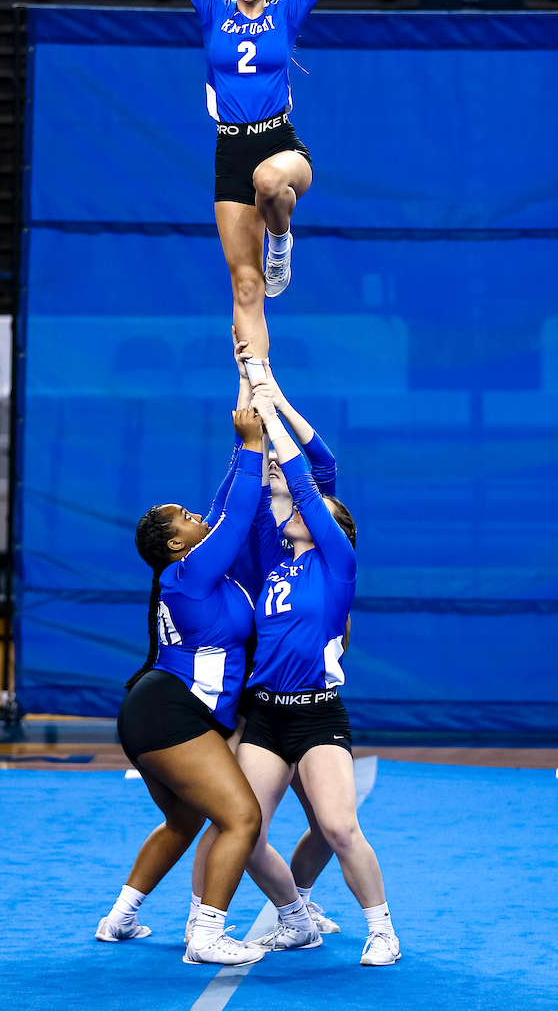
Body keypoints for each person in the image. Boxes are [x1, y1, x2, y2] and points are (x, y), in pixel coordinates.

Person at [133, 0, 399, 368]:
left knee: (270, 181)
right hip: (229, 150)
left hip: (279, 145)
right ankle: (258, 388)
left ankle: (281, 239)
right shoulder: (212, 11)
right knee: (247, 287)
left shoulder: (287, 12)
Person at [95, 404, 267, 967]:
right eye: (187, 518)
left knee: (183, 820)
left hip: (155, 708)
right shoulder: (189, 572)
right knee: (240, 817)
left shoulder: (188, 568)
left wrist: (245, 433)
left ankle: (119, 918)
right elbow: (236, 519)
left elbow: (222, 508)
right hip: (169, 713)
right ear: (175, 543)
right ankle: (208, 935)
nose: (200, 519)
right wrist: (250, 448)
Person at [238, 388, 401, 967]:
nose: (302, 512)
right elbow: (267, 483)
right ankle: (295, 918)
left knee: (337, 827)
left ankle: (381, 928)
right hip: (265, 713)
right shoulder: (275, 557)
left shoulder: (338, 568)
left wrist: (269, 394)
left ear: (336, 534)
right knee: (245, 834)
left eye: (315, 513)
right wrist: (260, 397)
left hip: (315, 712)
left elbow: (311, 480)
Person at [185, 346, 344, 942]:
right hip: (255, 675)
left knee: (329, 822)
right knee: (235, 813)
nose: (282, 462)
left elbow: (322, 459)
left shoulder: (313, 515)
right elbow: (242, 467)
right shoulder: (253, 515)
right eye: (274, 461)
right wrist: (249, 419)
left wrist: (273, 394)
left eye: (285, 461)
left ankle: (296, 903)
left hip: (305, 674)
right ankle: (206, 910)